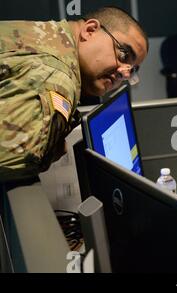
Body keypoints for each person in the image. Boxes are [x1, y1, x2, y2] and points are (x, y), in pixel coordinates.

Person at [0, 6, 149, 183]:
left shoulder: (42, 34)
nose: (124, 73)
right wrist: (50, 149)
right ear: (90, 30)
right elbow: (11, 162)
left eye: (132, 70)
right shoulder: (55, 77)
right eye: (124, 55)